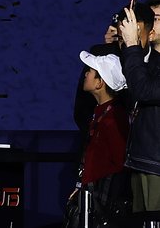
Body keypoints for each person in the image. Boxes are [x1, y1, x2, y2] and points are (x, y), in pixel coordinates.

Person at [65, 52, 131, 226]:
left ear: (100, 83)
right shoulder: (99, 112)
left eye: (90, 71)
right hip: (90, 197)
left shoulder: (115, 118)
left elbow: (118, 165)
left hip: (102, 205)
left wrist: (99, 200)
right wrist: (81, 188)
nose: (85, 74)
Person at [115, 2, 160, 215]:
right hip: (142, 160)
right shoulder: (150, 61)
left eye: (158, 18)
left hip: (156, 165)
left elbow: (144, 90)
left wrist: (133, 43)